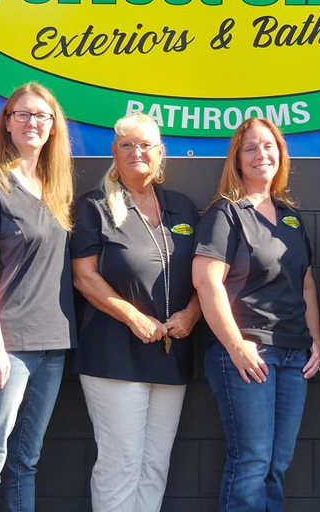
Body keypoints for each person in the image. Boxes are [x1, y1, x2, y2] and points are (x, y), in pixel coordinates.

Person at [71, 113, 201, 512]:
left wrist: (192, 315)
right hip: (113, 354)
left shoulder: (182, 207)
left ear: (161, 153)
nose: (136, 152)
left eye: (145, 145)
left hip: (171, 353)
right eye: (127, 145)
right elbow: (84, 277)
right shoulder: (94, 206)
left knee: (154, 465)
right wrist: (133, 317)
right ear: (114, 152)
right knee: (121, 462)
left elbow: (207, 275)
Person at [193, 117, 320, 512]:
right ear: (237, 159)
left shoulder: (291, 217)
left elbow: (306, 284)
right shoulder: (226, 213)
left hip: (292, 355)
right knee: (250, 463)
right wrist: (235, 347)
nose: (261, 154)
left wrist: (315, 339)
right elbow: (207, 282)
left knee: (276, 466)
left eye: (269, 146)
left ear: (280, 155)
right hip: (248, 355)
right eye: (250, 147)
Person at [0, 83, 77, 511]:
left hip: (53, 345)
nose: (32, 123)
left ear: (53, 127)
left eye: (41, 116)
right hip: (8, 347)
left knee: (26, 461)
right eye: (23, 114)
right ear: (7, 123)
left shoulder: (58, 189)